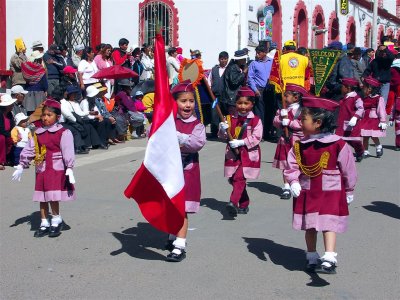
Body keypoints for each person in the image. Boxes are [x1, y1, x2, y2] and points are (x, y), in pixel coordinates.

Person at [284, 95, 357, 274]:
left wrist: (349, 189)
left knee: (328, 223)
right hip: (308, 191)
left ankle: (330, 256)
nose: (300, 123)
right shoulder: (300, 146)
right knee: (309, 225)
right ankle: (311, 256)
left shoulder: (338, 144)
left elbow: (348, 169)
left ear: (317, 123)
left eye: (303, 119)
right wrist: (293, 181)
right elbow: (291, 165)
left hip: (330, 192)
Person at [12, 99, 76, 238]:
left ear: (57, 117)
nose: (45, 118)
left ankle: (56, 219)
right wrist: (21, 165)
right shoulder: (38, 133)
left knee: (53, 195)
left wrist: (69, 168)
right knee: (42, 196)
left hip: (56, 168)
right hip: (41, 168)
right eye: (44, 115)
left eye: (49, 115)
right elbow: (30, 149)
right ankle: (43, 221)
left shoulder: (63, 132)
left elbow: (68, 150)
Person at [165, 80, 206, 262]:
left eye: (191, 101)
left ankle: (180, 246)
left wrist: (180, 137)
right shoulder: (168, 121)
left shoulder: (197, 125)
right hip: (168, 172)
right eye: (183, 101)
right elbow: (155, 137)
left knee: (181, 208)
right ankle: (173, 235)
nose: (187, 104)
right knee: (170, 205)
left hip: (187, 172)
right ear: (175, 103)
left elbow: (197, 143)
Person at [218, 86, 263, 217]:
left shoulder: (256, 120)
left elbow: (257, 137)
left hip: (248, 154)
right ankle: (244, 203)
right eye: (239, 103)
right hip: (233, 153)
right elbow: (223, 136)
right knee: (234, 179)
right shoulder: (229, 118)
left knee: (239, 178)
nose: (242, 106)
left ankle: (233, 202)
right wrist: (222, 128)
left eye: (246, 103)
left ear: (252, 104)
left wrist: (241, 142)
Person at [272, 84, 307, 199]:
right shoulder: (283, 109)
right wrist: (280, 119)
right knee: (286, 164)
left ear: (296, 98)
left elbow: (304, 125)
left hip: (298, 141)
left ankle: (298, 183)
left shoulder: (303, 111)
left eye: (286, 96)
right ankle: (286, 186)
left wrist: (290, 123)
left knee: (299, 163)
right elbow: (275, 122)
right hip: (285, 140)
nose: (284, 98)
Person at [335, 78, 365, 162]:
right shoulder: (344, 97)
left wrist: (355, 117)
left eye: (342, 87)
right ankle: (340, 154)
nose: (341, 88)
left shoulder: (355, 98)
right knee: (341, 139)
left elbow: (361, 108)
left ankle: (360, 152)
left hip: (351, 123)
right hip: (342, 123)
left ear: (348, 88)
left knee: (354, 140)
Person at [247, 45, 273, 137]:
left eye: (259, 53)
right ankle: (259, 133)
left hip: (270, 90)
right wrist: (255, 90)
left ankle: (268, 132)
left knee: (269, 111)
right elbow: (250, 78)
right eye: (256, 53)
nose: (257, 55)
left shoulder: (272, 62)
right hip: (259, 90)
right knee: (260, 112)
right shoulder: (254, 64)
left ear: (265, 53)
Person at [360, 77, 387, 158]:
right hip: (365, 118)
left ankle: (378, 146)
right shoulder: (364, 98)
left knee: (373, 135)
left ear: (370, 89)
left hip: (373, 119)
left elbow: (381, 109)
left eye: (365, 87)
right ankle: (365, 151)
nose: (364, 89)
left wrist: (382, 120)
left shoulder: (379, 98)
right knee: (365, 136)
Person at [220, 50, 248, 114]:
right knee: (232, 118)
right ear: (239, 59)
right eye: (244, 58)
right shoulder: (233, 67)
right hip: (230, 99)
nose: (245, 60)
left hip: (232, 98)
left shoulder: (237, 67)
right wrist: (243, 73)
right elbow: (234, 82)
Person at [208, 51, 229, 137]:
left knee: (227, 115)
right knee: (214, 113)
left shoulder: (229, 69)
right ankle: (214, 132)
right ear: (219, 59)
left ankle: (227, 132)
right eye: (221, 59)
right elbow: (209, 81)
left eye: (225, 59)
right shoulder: (214, 69)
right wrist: (210, 91)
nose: (223, 61)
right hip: (215, 97)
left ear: (227, 59)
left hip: (226, 97)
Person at [21, 50, 48, 115]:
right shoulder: (40, 69)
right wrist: (46, 89)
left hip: (28, 91)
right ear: (38, 59)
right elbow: (44, 83)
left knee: (29, 112)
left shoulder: (27, 68)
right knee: (38, 112)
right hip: (39, 92)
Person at [0, 94, 17, 170]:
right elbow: (1, 129)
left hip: (7, 134)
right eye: (11, 104)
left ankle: (12, 159)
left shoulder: (10, 114)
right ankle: (0, 162)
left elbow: (13, 127)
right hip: (2, 134)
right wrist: (11, 135)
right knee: (2, 138)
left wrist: (16, 134)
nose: (12, 105)